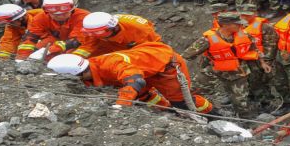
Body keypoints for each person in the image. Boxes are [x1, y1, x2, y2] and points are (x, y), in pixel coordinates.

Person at [49, 42, 213, 113]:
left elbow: (135, 80)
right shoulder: (92, 66)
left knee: (181, 101)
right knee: (142, 95)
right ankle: (168, 111)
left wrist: (122, 104)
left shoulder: (110, 65)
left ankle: (211, 112)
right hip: (146, 66)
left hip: (165, 65)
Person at [182, 13, 259, 118]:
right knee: (194, 91)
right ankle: (192, 111)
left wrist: (263, 63)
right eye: (236, 24)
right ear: (225, 25)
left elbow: (254, 49)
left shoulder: (245, 35)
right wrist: (179, 73)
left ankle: (247, 121)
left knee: (241, 100)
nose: (240, 26)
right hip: (214, 70)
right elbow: (186, 56)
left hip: (237, 71)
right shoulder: (207, 39)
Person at [15, 0, 90, 61]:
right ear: (47, 12)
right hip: (56, 39)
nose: (60, 16)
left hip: (80, 42)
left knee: (69, 57)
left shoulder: (83, 17)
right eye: (55, 14)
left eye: (64, 13)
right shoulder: (40, 17)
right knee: (38, 49)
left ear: (72, 9)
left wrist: (50, 50)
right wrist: (22, 57)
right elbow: (30, 38)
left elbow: (76, 40)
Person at [238, 4, 277, 112]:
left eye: (248, 15)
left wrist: (267, 61)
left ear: (255, 13)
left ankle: (266, 103)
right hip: (243, 59)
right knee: (245, 80)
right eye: (242, 15)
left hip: (258, 59)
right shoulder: (238, 25)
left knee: (260, 81)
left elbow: (271, 45)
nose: (245, 17)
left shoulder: (265, 27)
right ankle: (250, 99)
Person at [73, 12, 161, 58]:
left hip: (137, 49)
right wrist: (75, 59)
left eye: (97, 33)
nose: (93, 35)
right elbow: (88, 46)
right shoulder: (93, 30)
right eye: (90, 33)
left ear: (114, 28)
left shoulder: (139, 29)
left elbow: (154, 48)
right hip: (112, 45)